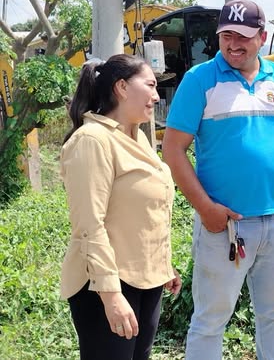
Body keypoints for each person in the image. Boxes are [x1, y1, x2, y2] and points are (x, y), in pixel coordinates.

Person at [162, 0, 274, 360]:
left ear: (262, 37)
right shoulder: (199, 80)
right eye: (226, 35)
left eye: (243, 36)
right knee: (210, 320)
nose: (233, 44)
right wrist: (206, 209)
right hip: (225, 227)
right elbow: (173, 149)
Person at [60, 54, 182, 360]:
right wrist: (111, 295)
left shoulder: (138, 139)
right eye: (150, 85)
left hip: (146, 279)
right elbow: (89, 225)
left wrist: (162, 264)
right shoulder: (92, 140)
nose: (157, 96)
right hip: (105, 283)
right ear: (122, 87)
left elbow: (145, 211)